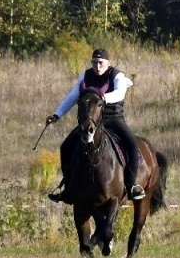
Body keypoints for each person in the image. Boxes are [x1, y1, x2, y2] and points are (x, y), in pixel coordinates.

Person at [45, 47, 144, 200]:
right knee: (66, 146)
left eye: (100, 63)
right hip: (90, 121)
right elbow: (73, 96)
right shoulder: (86, 76)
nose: (97, 66)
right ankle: (69, 187)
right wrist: (56, 115)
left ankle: (132, 185)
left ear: (108, 63)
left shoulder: (116, 76)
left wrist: (103, 98)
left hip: (113, 119)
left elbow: (120, 93)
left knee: (131, 144)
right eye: (94, 62)